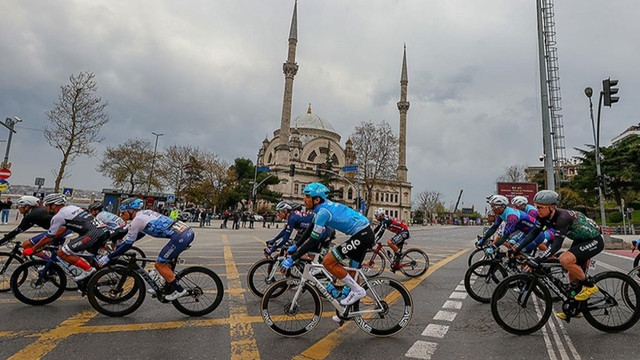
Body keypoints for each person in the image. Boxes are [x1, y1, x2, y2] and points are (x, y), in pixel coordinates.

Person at [512, 190, 604, 320]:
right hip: (580, 240)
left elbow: (556, 246)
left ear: (552, 207)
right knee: (572, 274)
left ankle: (590, 286)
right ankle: (575, 308)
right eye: (536, 206)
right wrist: (517, 249)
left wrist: (537, 260)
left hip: (594, 241)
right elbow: (532, 234)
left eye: (541, 207)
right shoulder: (543, 216)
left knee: (564, 260)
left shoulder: (562, 218)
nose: (537, 210)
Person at [283, 183, 373, 306]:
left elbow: (313, 241)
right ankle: (349, 312)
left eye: (307, 197)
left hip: (362, 234)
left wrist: (293, 258)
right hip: (363, 233)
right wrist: (296, 245)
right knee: (353, 273)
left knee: (328, 261)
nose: (304, 199)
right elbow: (310, 228)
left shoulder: (323, 212)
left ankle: (357, 290)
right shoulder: (321, 208)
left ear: (317, 199)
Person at [96, 197, 195, 301]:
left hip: (180, 237)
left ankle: (180, 290)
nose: (121, 215)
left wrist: (108, 257)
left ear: (131, 211)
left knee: (159, 264)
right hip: (185, 231)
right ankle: (165, 286)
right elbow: (141, 233)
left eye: (122, 212)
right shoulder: (145, 213)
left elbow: (128, 244)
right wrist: (122, 245)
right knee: (165, 262)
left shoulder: (137, 221)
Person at [24, 193, 110, 281]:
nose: (46, 209)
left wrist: (33, 249)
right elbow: (62, 231)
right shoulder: (72, 208)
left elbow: (49, 236)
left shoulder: (58, 216)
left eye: (47, 206)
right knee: (80, 252)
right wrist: (47, 242)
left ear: (53, 205)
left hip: (93, 234)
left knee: (62, 253)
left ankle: (88, 270)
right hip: (103, 231)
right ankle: (92, 282)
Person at [0, 196, 72, 258]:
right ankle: (52, 266)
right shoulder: (37, 211)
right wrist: (10, 236)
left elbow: (17, 230)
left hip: (60, 231)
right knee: (55, 253)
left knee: (26, 245)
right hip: (65, 229)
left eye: (20, 206)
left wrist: (2, 241)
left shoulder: (31, 215)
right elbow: (22, 228)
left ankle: (47, 262)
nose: (18, 208)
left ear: (26, 207)